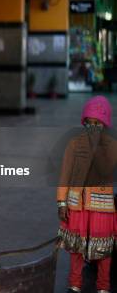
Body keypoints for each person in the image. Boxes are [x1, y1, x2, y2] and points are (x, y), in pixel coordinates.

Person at [57, 95, 117, 293]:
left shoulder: (111, 146)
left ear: (105, 124)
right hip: (77, 207)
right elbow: (65, 174)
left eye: (97, 123)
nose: (93, 127)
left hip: (102, 209)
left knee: (104, 249)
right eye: (89, 123)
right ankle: (75, 284)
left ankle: (103, 286)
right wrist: (62, 203)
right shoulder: (74, 144)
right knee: (76, 248)